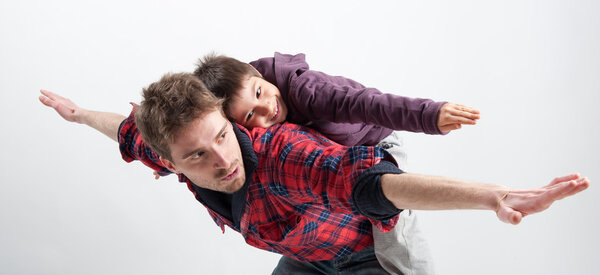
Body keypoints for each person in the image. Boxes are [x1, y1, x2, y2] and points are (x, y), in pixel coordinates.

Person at [39, 74, 589, 274]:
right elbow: (128, 130)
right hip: (306, 257)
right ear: (169, 157)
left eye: (223, 138)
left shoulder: (280, 153)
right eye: (195, 157)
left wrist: (493, 195)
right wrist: (79, 113)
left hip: (367, 259)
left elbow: (370, 184)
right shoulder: (163, 144)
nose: (223, 160)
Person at [192, 52, 480, 274]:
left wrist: (430, 115)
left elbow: (367, 104)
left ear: (257, 73)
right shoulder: (247, 133)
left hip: (373, 143)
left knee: (388, 216)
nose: (267, 107)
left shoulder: (308, 91)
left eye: (259, 92)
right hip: (333, 164)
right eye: (251, 116)